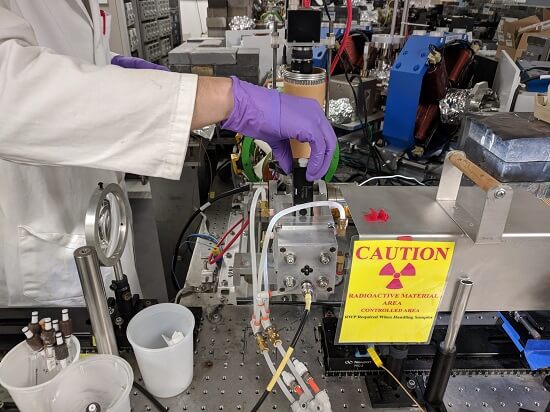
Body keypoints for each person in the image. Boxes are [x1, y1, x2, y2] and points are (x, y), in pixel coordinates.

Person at [0, 1, 336, 306]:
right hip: (43, 245)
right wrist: (228, 100)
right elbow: (12, 96)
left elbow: (70, 58)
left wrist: (112, 67)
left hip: (95, 214)